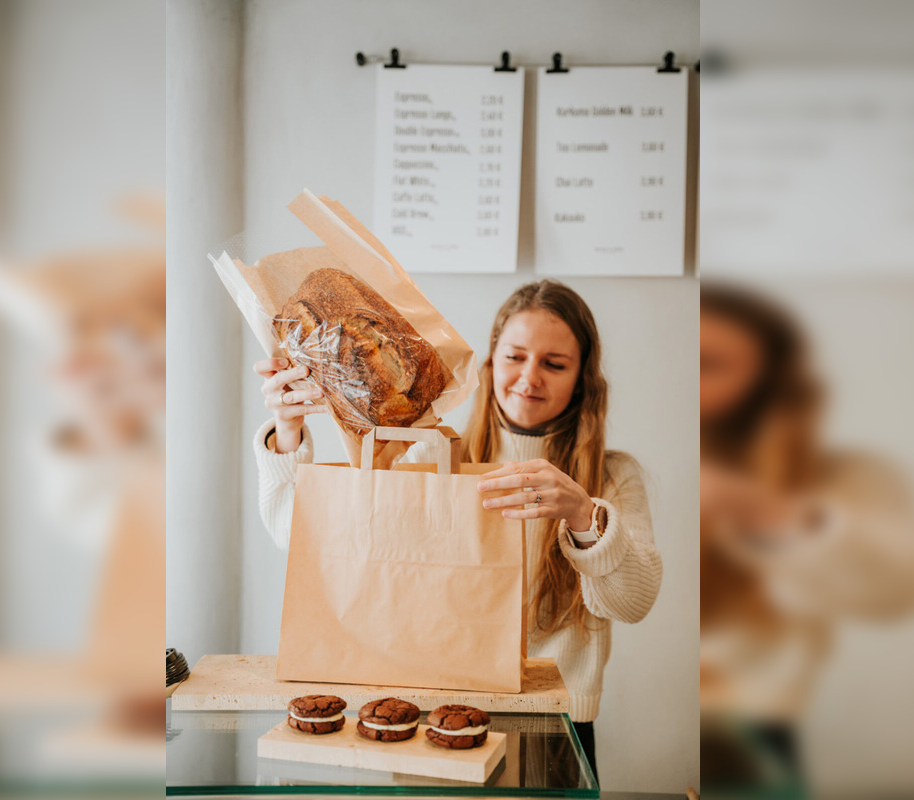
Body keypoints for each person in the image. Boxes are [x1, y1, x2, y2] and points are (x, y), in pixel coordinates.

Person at [254, 280, 664, 783]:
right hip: (435, 725)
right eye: (515, 357)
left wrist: (583, 516)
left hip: (556, 732)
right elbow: (306, 542)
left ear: (582, 379)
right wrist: (288, 429)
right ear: (491, 364)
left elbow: (633, 602)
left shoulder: (612, 476)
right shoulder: (435, 454)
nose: (529, 377)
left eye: (554, 364)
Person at [698, 283, 914, 793]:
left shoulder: (846, 476)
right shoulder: (634, 463)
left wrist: (762, 509)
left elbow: (905, 589)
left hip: (752, 737)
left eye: (709, 363)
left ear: (769, 383)